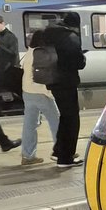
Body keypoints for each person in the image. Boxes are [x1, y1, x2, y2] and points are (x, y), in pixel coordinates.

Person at [43, 12, 86, 168]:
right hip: (66, 82)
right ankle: (65, 158)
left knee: (65, 116)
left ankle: (59, 151)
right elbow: (78, 62)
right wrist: (83, 58)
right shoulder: (70, 37)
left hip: (52, 81)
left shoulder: (50, 34)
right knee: (72, 119)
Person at [19, 30, 59, 167]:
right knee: (56, 122)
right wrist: (49, 93)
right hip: (41, 94)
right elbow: (44, 75)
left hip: (27, 92)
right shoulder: (41, 53)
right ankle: (61, 151)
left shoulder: (29, 52)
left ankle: (27, 155)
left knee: (29, 125)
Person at [0, 12, 20, 153]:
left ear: (2, 23)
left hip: (7, 74)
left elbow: (13, 53)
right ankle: (4, 142)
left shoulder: (10, 37)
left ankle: (4, 142)